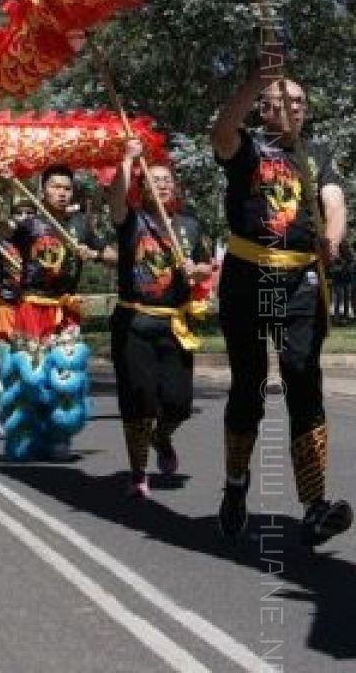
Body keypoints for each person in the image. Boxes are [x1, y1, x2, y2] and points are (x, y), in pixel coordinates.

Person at [209, 63, 353, 547]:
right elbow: (222, 131)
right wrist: (253, 78)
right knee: (248, 384)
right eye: (280, 100)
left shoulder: (318, 158)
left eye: (300, 102)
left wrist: (332, 239)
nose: (292, 107)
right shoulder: (245, 148)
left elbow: (335, 204)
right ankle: (235, 485)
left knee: (303, 378)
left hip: (300, 282)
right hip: (248, 277)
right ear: (264, 109)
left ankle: (315, 505)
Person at [107, 142, 212, 498]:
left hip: (174, 324)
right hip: (134, 322)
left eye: (167, 180)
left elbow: (204, 267)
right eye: (154, 180)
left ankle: (162, 436)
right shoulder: (131, 220)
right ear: (143, 186)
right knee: (139, 398)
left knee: (179, 403)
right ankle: (138, 471)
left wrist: (198, 272)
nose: (163, 185)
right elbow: (116, 200)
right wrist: (127, 159)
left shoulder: (190, 226)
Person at [0, 165, 93, 462]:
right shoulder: (28, 226)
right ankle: (24, 438)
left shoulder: (80, 225)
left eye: (67, 188)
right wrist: (3, 189)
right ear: (42, 189)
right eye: (56, 187)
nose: (62, 193)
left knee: (65, 375)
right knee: (29, 376)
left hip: (65, 311)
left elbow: (111, 254)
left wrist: (96, 254)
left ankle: (59, 437)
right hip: (30, 309)